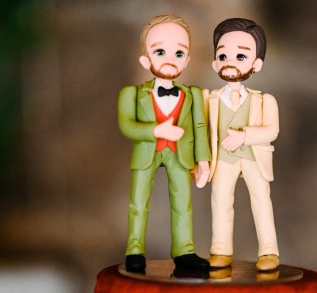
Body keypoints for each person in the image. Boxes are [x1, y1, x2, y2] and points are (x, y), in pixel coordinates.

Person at [119, 14, 211, 273]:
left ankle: (184, 252)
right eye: (160, 51)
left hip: (180, 154)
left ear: (188, 59)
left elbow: (200, 127)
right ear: (145, 59)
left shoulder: (191, 94)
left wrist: (203, 159)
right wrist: (156, 130)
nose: (170, 59)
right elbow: (127, 125)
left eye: (179, 53)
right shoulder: (132, 94)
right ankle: (135, 250)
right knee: (138, 202)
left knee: (183, 204)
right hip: (147, 153)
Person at [207, 17, 279, 271]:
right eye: (223, 55)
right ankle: (220, 250)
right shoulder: (210, 100)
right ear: (215, 62)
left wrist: (245, 135)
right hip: (223, 160)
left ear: (256, 64)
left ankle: (269, 251)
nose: (229, 62)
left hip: (253, 158)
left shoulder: (264, 101)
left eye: (240, 56)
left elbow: (272, 130)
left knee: (261, 201)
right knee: (220, 201)